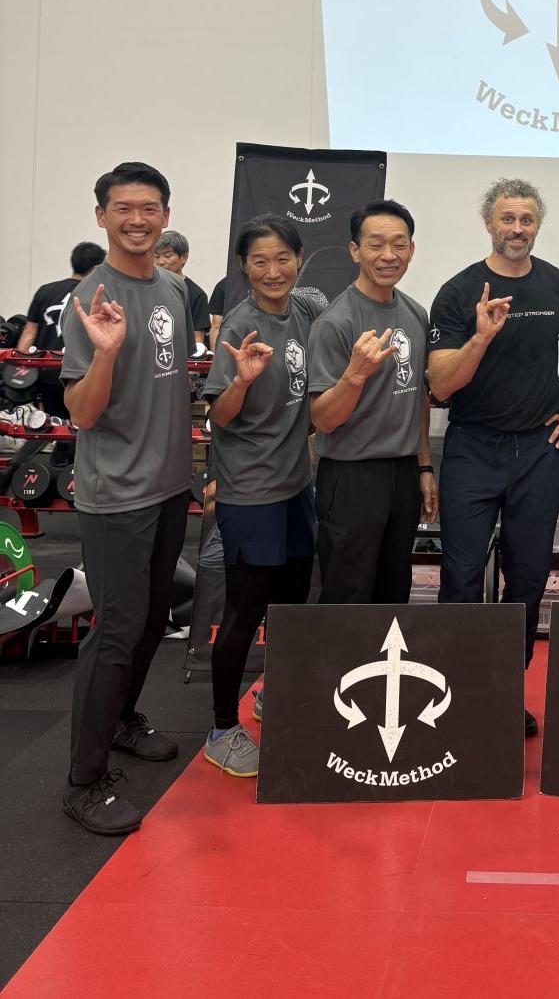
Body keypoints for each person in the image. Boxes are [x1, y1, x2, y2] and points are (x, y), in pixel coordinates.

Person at [427, 179, 559, 735]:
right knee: (461, 575)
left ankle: (503, 691)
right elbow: (441, 385)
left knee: (527, 577)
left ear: (537, 225)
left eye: (526, 219)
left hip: (536, 451)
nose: (516, 229)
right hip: (473, 446)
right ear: (488, 223)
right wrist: (480, 337)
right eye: (507, 218)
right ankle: (455, 693)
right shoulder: (458, 292)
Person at [60, 162, 194, 836]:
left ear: (165, 215)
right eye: (123, 208)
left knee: (148, 621)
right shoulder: (89, 299)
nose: (137, 220)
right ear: (101, 216)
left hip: (169, 486)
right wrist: (107, 352)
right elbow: (82, 413)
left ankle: (118, 721)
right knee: (115, 630)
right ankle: (83, 780)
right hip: (116, 494)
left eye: (149, 208)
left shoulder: (175, 288)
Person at [201, 215, 318, 778]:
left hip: (295, 486)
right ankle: (222, 728)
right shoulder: (240, 325)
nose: (273, 271)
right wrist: (241, 381)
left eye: (283, 259)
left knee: (290, 605)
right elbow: (218, 417)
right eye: (260, 261)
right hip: (252, 492)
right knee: (244, 612)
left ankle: (274, 693)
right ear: (243, 267)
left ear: (300, 260)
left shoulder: (304, 312)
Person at [309, 201, 437, 606]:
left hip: (402, 473)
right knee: (348, 595)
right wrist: (355, 375)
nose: (388, 255)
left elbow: (417, 396)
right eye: (375, 244)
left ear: (411, 250)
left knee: (393, 591)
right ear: (355, 251)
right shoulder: (336, 322)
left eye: (399, 244)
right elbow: (322, 419)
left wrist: (424, 466)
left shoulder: (415, 313)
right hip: (351, 476)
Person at [17, 242, 106, 417]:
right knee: (79, 426)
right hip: (78, 375)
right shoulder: (96, 296)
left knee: (52, 424)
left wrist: (21, 369)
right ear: (96, 268)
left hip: (45, 374)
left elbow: (29, 332)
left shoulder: (45, 291)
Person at [153, 231, 210, 347]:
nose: (161, 262)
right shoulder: (148, 289)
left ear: (184, 258)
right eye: (157, 256)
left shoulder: (196, 294)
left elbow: (197, 341)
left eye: (167, 256)